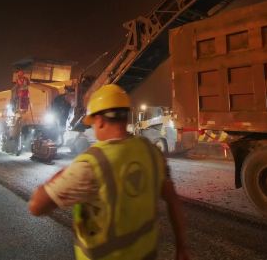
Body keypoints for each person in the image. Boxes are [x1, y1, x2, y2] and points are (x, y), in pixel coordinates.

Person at [29, 84, 190, 260]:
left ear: (99, 120)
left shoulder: (90, 165)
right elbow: (173, 200)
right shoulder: (153, 153)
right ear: (126, 116)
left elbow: (37, 206)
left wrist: (64, 174)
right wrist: (181, 246)